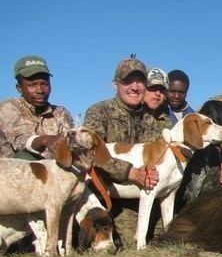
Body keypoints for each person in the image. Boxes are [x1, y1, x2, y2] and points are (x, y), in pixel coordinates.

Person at [84, 54, 160, 189]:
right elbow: (90, 152)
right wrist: (130, 172)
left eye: (140, 81)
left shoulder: (151, 122)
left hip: (143, 194)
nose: (135, 87)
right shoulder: (99, 112)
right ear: (115, 84)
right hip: (106, 195)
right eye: (128, 81)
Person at [0, 55, 73, 160]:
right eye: (32, 85)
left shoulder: (60, 113)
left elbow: (69, 144)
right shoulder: (8, 107)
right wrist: (44, 140)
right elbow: (19, 141)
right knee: (24, 156)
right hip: (13, 172)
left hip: (53, 172)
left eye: (45, 84)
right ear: (20, 89)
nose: (40, 90)